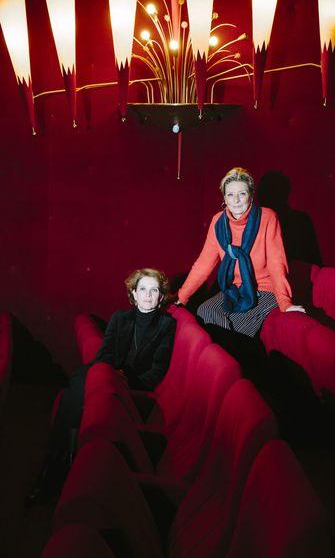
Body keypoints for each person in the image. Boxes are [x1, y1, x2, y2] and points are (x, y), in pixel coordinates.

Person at [27, 267, 176, 505]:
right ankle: (65, 461)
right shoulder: (120, 318)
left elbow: (156, 370)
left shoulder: (166, 325)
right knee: (74, 390)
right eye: (143, 289)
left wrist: (125, 378)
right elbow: (105, 354)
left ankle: (56, 469)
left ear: (161, 296)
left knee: (70, 396)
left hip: (132, 385)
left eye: (154, 290)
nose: (148, 295)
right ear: (134, 294)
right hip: (108, 374)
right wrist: (109, 372)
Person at [177, 167, 305, 339]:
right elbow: (203, 265)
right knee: (204, 311)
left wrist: (285, 302)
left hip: (265, 289)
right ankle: (227, 355)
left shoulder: (267, 217)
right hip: (234, 289)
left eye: (242, 194)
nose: (236, 200)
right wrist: (181, 297)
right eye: (230, 195)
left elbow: (277, 263)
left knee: (235, 326)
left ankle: (232, 358)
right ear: (224, 198)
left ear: (251, 195)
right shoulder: (218, 222)